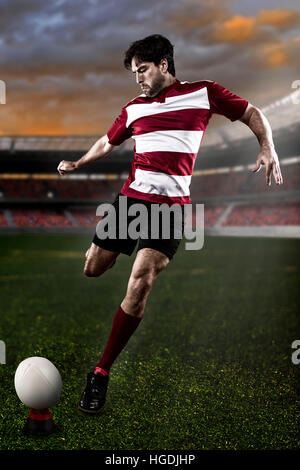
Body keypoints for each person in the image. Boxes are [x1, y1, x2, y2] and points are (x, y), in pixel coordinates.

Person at [57, 34, 283, 415]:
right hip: (131, 201)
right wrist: (79, 163)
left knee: (141, 279)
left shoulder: (204, 93)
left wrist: (267, 145)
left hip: (171, 209)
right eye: (134, 73)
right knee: (93, 269)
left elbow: (252, 113)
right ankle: (101, 250)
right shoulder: (133, 110)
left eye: (142, 70)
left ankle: (101, 372)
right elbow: (107, 142)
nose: (138, 79)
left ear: (164, 64)